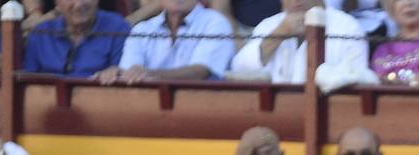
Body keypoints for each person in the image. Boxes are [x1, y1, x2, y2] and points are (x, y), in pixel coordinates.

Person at [96, 0, 235, 83]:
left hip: (201, 107)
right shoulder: (142, 28)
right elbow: (130, 71)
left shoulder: (215, 22)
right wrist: (116, 74)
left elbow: (200, 72)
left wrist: (147, 74)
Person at [230, 0, 367, 83]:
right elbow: (240, 68)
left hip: (327, 111)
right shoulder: (269, 25)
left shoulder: (347, 26)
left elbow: (357, 75)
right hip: (275, 111)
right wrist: (279, 33)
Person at [22, 0, 130, 76]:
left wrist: (115, 72)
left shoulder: (118, 27)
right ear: (57, 3)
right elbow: (27, 78)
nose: (78, 4)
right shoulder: (41, 33)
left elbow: (121, 73)